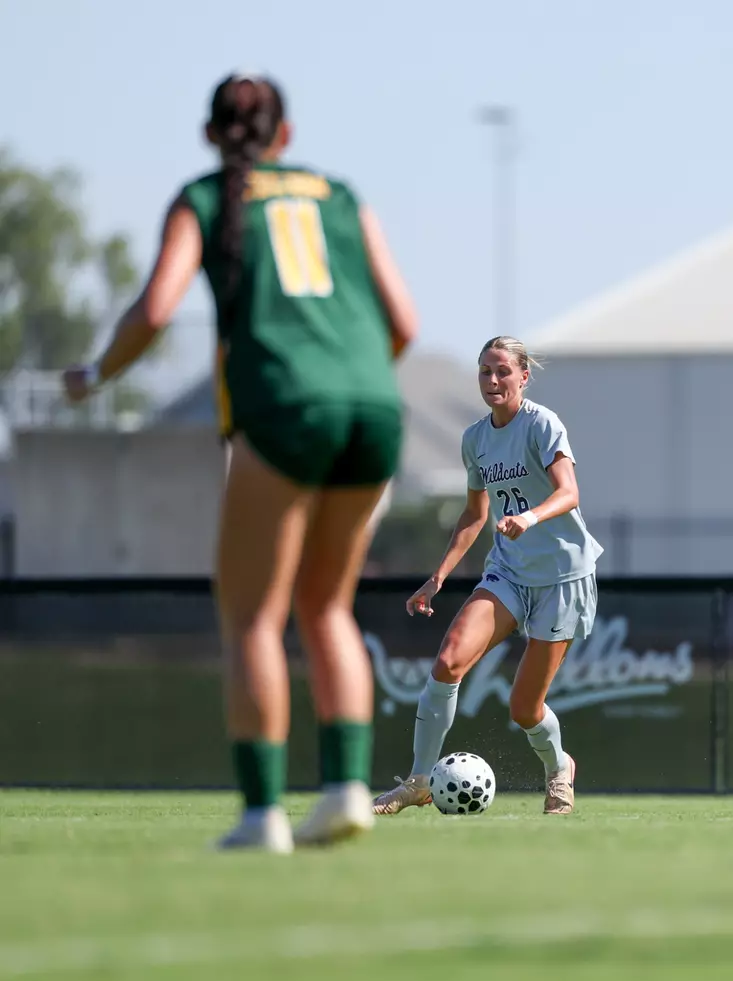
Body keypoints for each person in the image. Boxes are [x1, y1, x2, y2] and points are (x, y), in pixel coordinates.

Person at [63, 74, 418, 853]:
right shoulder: (341, 194)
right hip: (375, 407)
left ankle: (262, 816)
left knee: (253, 612)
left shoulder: (202, 196)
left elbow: (155, 310)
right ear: (285, 135)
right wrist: (345, 375)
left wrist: (96, 375)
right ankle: (348, 790)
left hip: (287, 407)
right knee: (327, 607)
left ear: (210, 136)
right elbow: (404, 322)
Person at [373, 335, 602, 817]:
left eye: (503, 371)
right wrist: (437, 577)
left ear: (523, 376)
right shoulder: (475, 438)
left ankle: (560, 768)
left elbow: (570, 493)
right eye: (485, 371)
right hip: (508, 573)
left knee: (524, 709)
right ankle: (418, 781)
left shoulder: (542, 423)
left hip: (562, 577)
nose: (493, 380)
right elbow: (474, 515)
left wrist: (530, 518)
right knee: (448, 661)